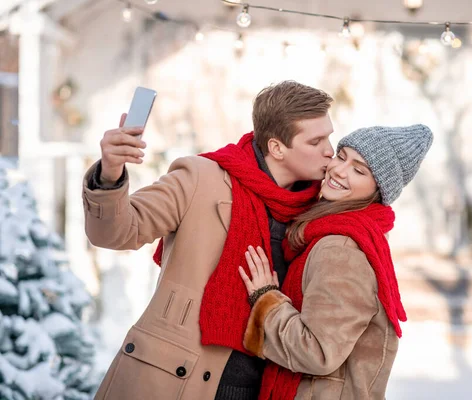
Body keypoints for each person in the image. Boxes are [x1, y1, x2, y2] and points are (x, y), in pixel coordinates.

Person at [84, 81, 335, 400]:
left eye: (328, 136)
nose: (329, 149)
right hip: (176, 382)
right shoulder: (200, 179)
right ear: (277, 148)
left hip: (266, 387)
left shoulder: (318, 212)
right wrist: (109, 173)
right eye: (316, 141)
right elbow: (116, 232)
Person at [238, 125, 433, 399]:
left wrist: (265, 299)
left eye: (359, 170)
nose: (340, 170)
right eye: (341, 156)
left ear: (378, 190)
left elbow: (317, 352)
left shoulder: (341, 247)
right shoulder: (340, 233)